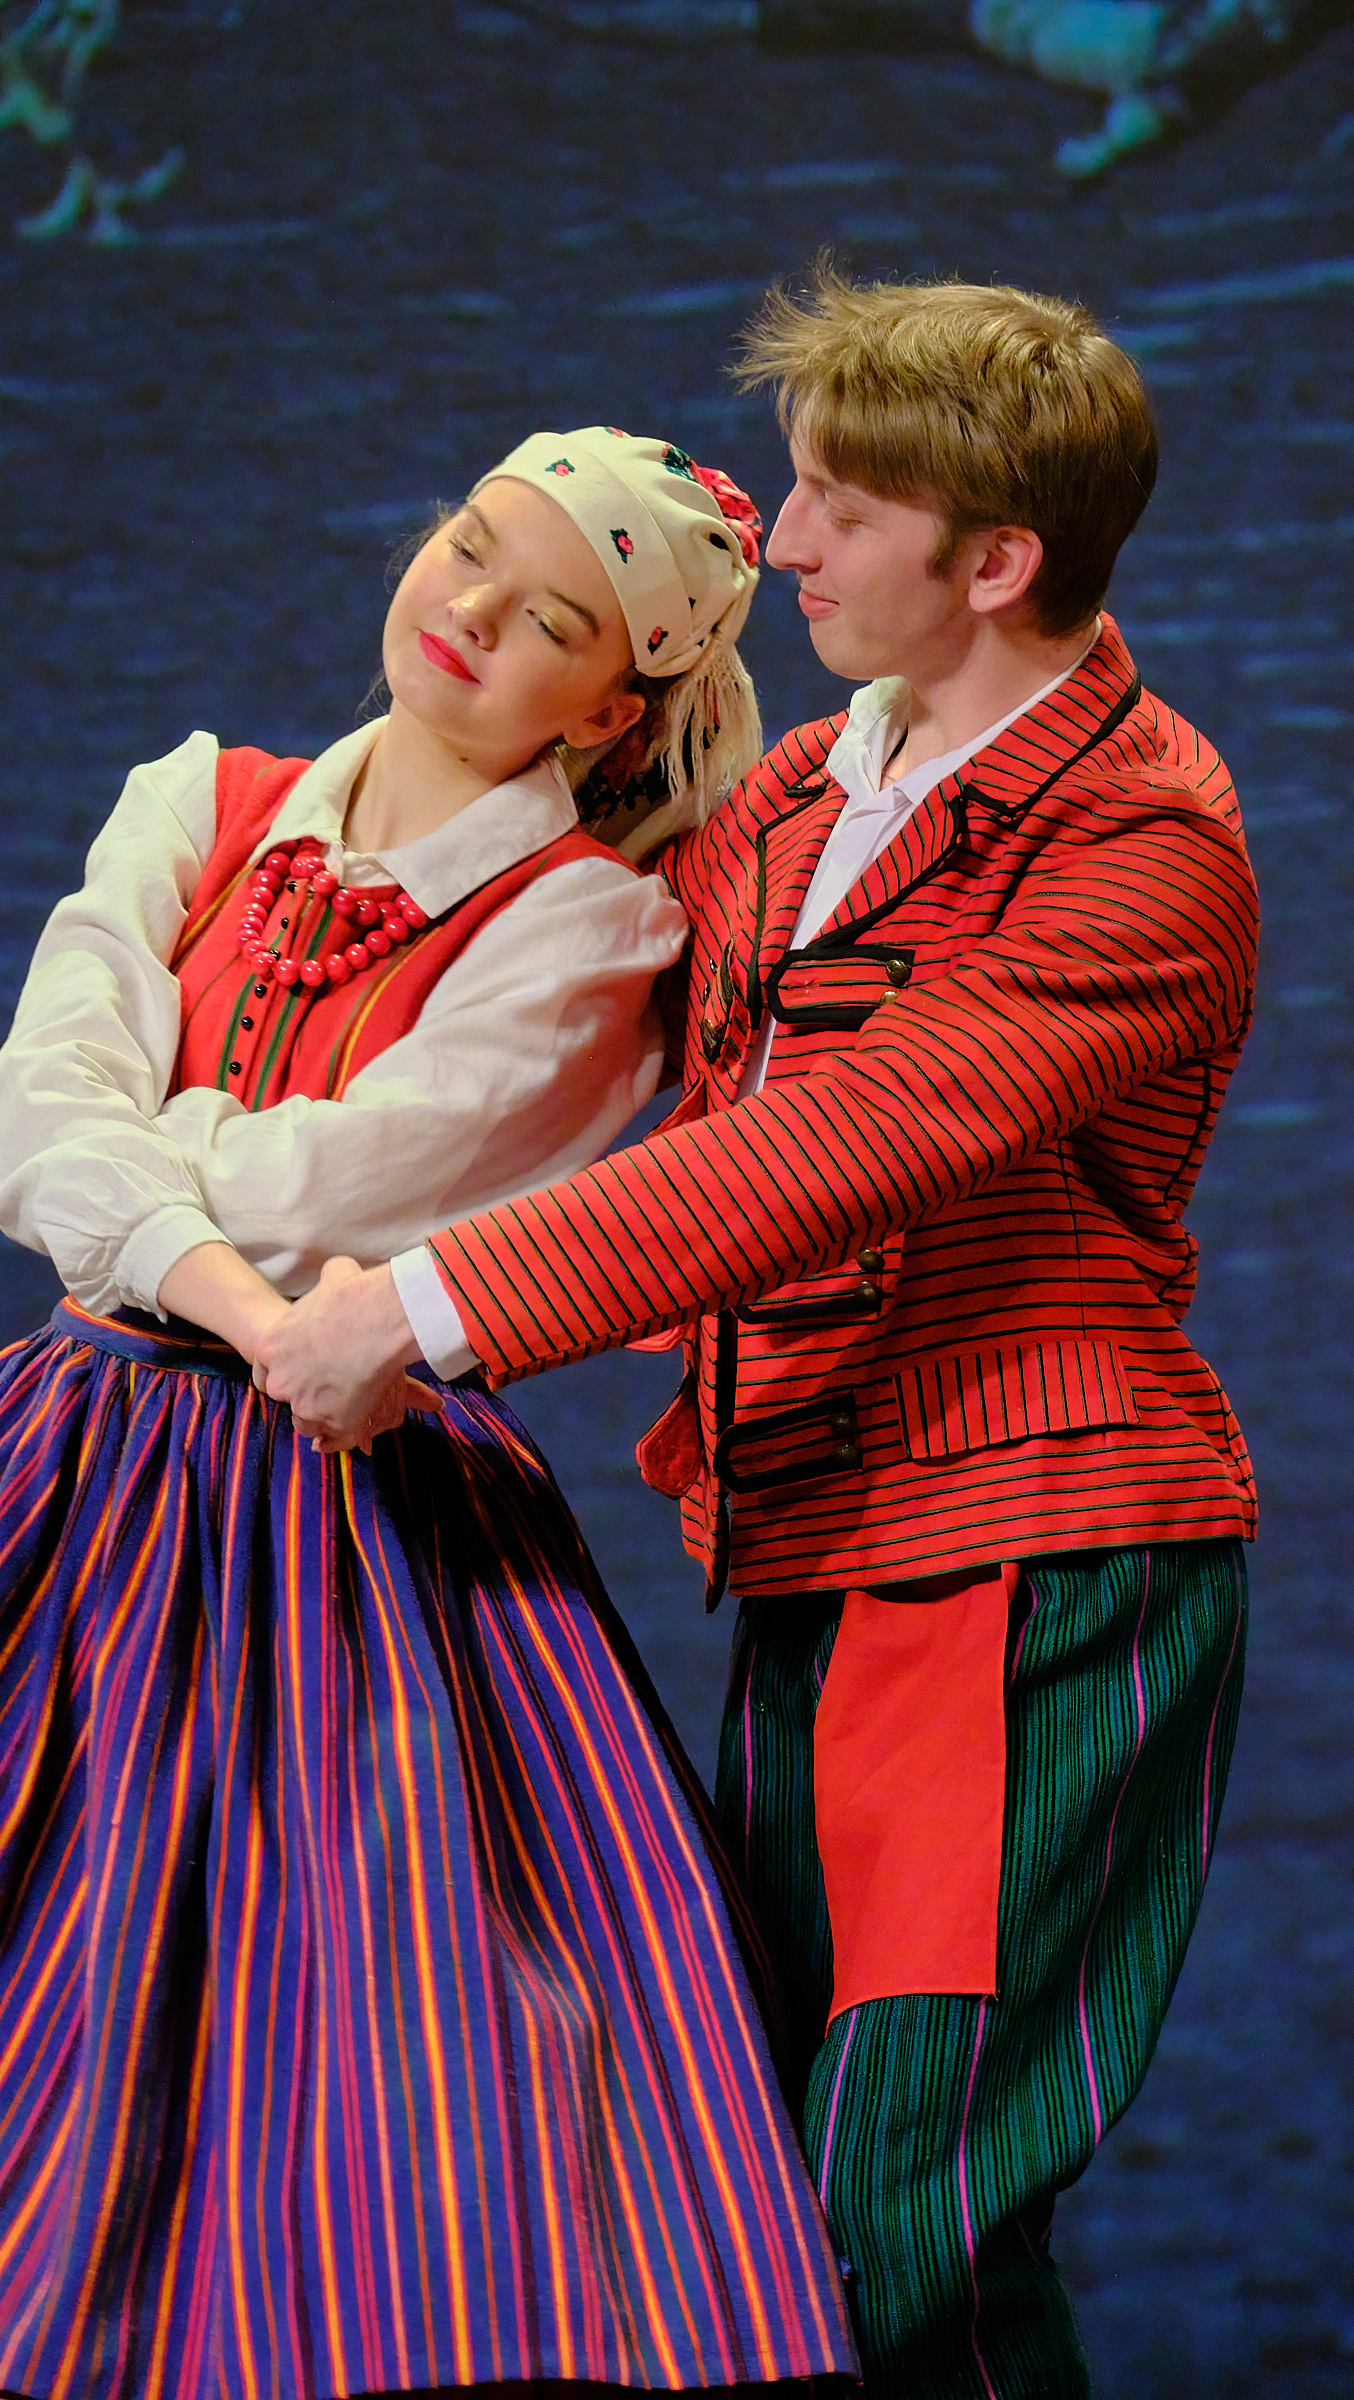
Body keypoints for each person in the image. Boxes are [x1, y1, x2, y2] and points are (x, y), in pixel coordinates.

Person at [0, 429, 857, 2400]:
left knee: (348, 2014)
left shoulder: (585, 929)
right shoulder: (202, 798)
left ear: (610, 708)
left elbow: (340, 1187)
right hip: (64, 1458)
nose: (468, 613)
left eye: (549, 622)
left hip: (344, 1507)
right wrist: (174, 1235)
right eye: (468, 548)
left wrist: (129, 1169)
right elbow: (39, 1122)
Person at [262, 273, 1259, 2400]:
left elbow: (832, 1149)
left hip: (1028, 1565)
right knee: (766, 2230)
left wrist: (420, 1311)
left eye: (837, 509)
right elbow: (523, 916)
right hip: (817, 1555)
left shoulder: (1141, 846)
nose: (784, 544)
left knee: (890, 2217)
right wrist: (228, 933)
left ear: (991, 564)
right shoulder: (802, 791)